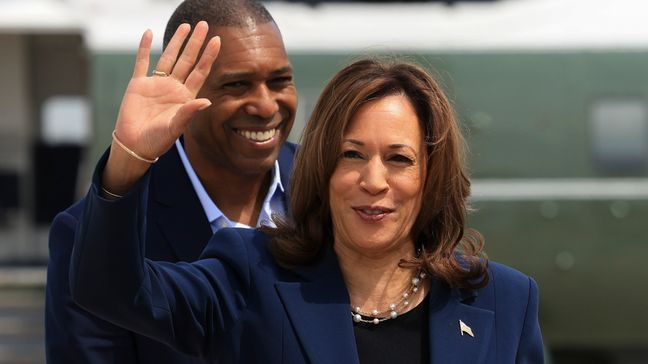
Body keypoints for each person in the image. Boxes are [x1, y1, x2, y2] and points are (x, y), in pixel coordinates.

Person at [69, 24, 544, 362]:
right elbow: (111, 292)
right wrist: (129, 160)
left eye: (398, 159)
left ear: (431, 176)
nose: (374, 181)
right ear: (323, 168)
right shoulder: (249, 276)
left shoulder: (504, 300)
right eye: (351, 155)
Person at [44, 0, 297, 363]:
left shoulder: (335, 190)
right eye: (237, 85)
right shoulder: (89, 238)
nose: (266, 105)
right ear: (184, 91)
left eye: (280, 81)